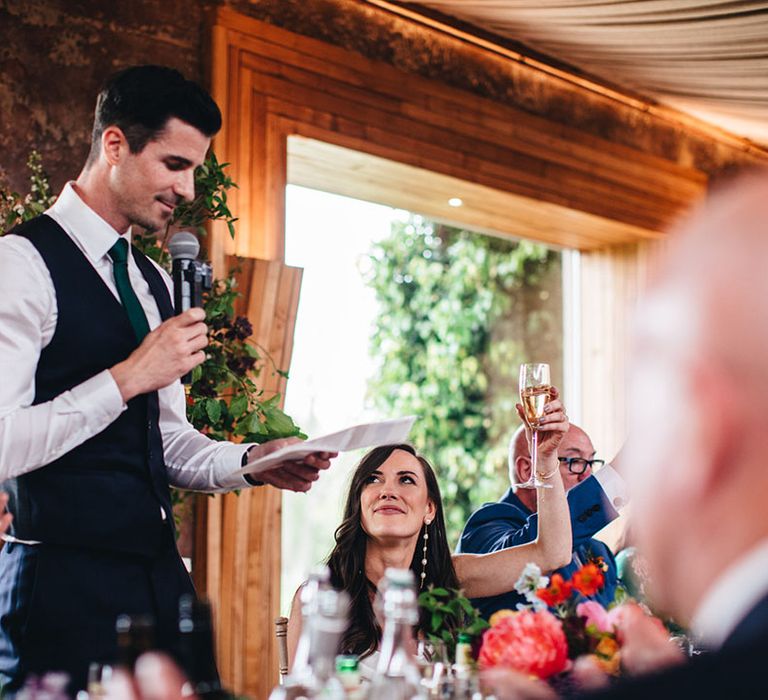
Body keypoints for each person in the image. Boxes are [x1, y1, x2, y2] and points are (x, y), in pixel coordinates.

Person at [0, 65, 335, 691]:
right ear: (115, 145)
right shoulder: (20, 265)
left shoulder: (152, 282)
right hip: (60, 585)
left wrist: (254, 459)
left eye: (194, 171)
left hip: (155, 577)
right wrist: (126, 377)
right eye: (174, 164)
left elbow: (165, 441)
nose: (186, 189)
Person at [287, 391, 573, 673]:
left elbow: (552, 553)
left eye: (406, 480)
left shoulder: (450, 579)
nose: (388, 491)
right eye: (373, 480)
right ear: (358, 506)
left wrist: (546, 460)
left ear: (429, 509)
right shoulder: (318, 597)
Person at [457, 423, 627, 618]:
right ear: (527, 470)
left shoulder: (598, 550)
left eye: (591, 462)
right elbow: (534, 552)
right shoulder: (491, 525)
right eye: (574, 461)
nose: (588, 476)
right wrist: (622, 473)